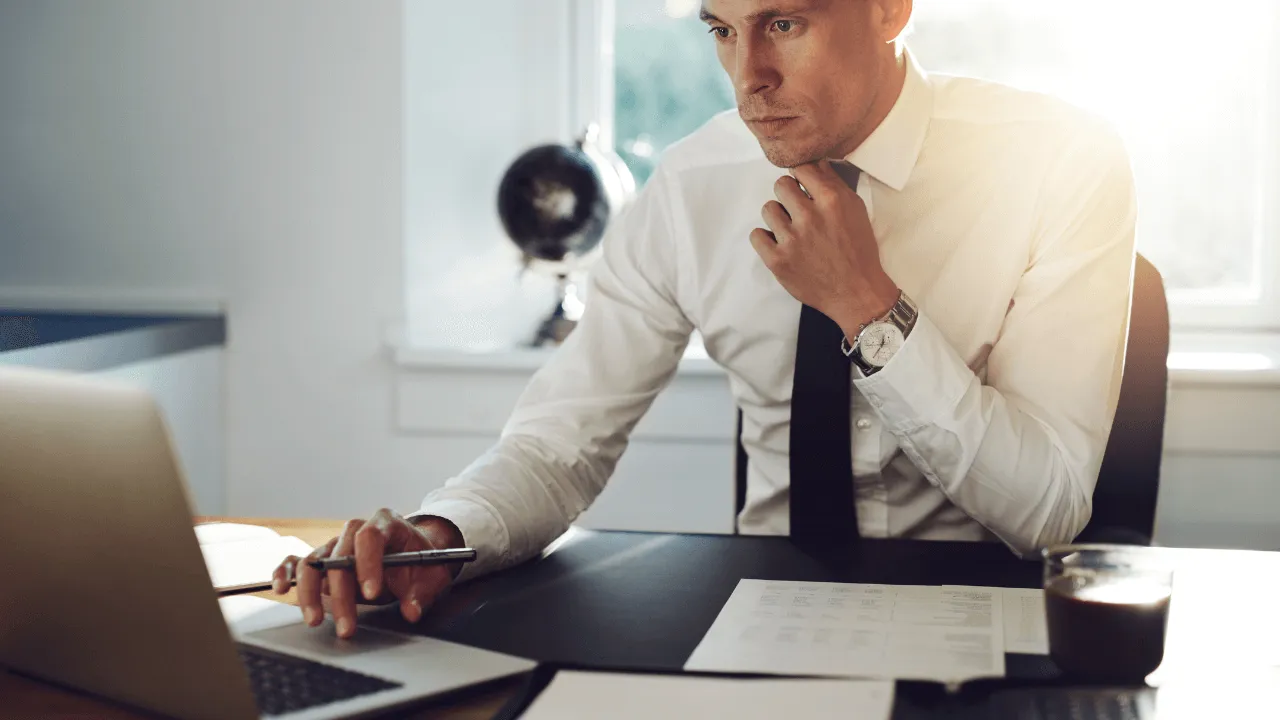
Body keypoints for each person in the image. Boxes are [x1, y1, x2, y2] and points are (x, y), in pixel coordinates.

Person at [274, 0, 1136, 639]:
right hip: (758, 616)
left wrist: (867, 305)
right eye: (722, 29)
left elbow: (1048, 510)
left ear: (888, 9)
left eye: (784, 24)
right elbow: (556, 447)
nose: (747, 76)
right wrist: (440, 535)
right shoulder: (691, 189)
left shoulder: (1059, 162)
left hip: (991, 616)